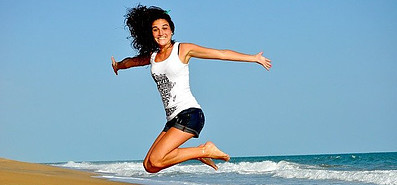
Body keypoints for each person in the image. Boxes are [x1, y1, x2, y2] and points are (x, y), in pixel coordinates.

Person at [111, 5, 272, 173]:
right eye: (155, 29)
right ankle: (198, 153)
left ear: (172, 31)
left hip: (189, 114)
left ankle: (204, 150)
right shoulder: (153, 56)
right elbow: (132, 62)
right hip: (173, 119)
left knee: (157, 159)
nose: (161, 33)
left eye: (165, 28)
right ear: (150, 34)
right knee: (149, 165)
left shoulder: (182, 49)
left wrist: (254, 58)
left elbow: (220, 54)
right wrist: (118, 66)